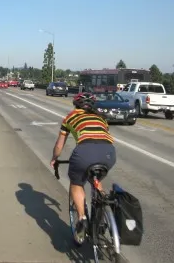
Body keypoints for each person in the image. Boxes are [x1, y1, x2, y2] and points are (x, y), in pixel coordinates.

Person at [49, 92, 117, 244]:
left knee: (76, 183)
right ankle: (102, 211)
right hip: (109, 153)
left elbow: (60, 145)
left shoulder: (70, 117)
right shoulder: (101, 118)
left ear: (76, 105)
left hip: (85, 152)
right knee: (96, 178)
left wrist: (55, 158)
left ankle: (82, 218)